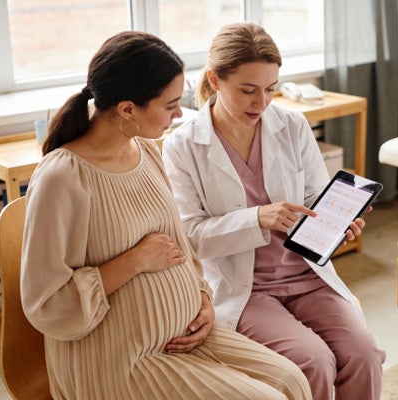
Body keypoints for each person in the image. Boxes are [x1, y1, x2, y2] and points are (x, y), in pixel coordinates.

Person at [20, 31, 312, 400]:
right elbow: (45, 304)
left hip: (188, 330)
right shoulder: (63, 177)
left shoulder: (147, 153)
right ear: (128, 109)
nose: (179, 114)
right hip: (122, 356)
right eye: (171, 104)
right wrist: (135, 260)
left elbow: (184, 249)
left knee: (293, 381)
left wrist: (203, 300)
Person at [162, 22, 386, 400]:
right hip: (246, 287)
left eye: (270, 89)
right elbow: (190, 236)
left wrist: (339, 220)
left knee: (363, 355)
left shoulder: (292, 125)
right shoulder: (182, 146)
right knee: (312, 362)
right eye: (247, 90)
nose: (261, 103)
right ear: (215, 80)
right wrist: (257, 218)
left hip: (307, 274)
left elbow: (315, 196)